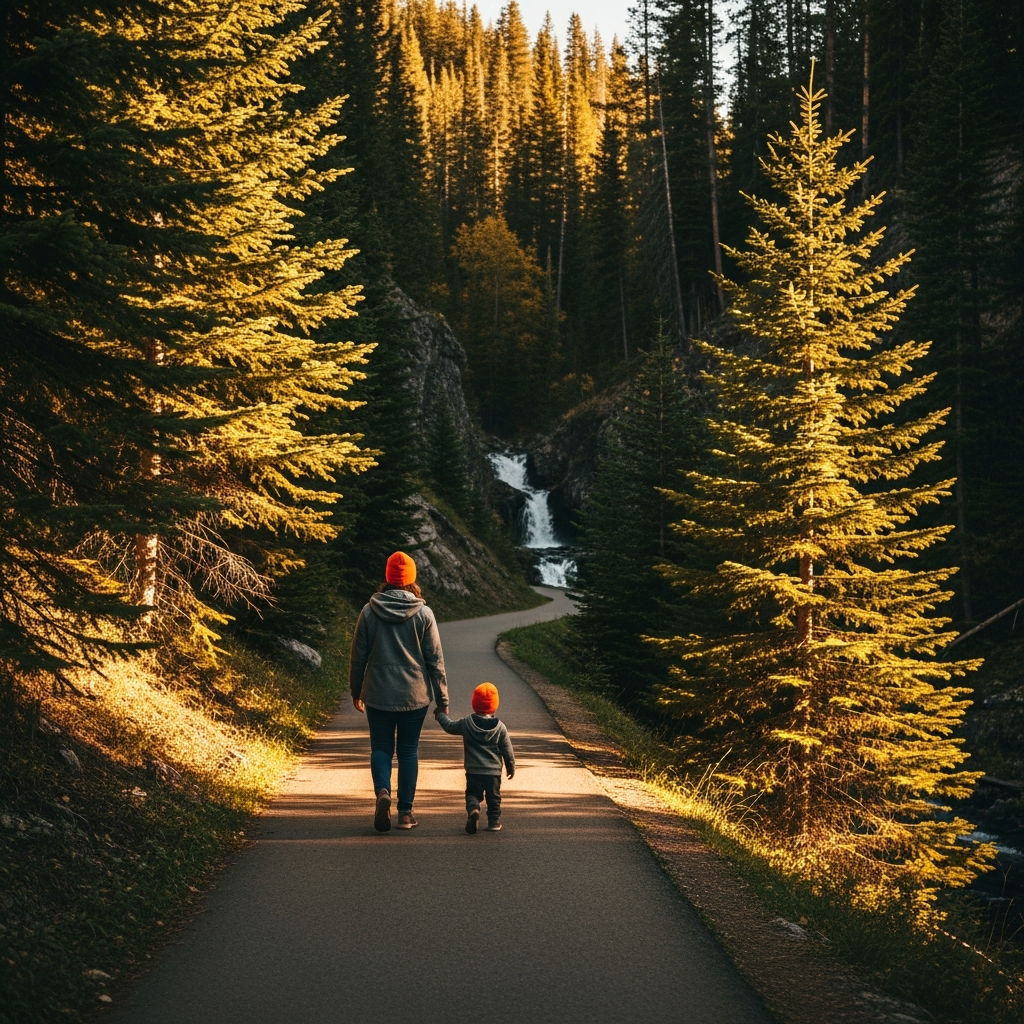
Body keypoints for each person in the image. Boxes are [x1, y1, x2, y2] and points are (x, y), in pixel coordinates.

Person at [349, 551, 448, 833]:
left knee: (381, 747)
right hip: (413, 696)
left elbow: (358, 657)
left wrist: (356, 691)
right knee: (408, 751)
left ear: (388, 577)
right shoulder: (424, 614)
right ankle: (405, 813)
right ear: (412, 578)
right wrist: (442, 700)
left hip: (378, 693)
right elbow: (435, 661)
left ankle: (382, 792)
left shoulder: (369, 611)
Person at [434, 682, 515, 833]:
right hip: (493, 773)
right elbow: (507, 749)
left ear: (474, 703)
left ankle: (473, 810)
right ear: (495, 705)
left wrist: (440, 716)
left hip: (473, 770)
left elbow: (450, 726)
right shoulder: (500, 727)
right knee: (494, 798)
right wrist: (510, 766)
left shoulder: (467, 723)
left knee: (472, 794)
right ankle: (494, 822)